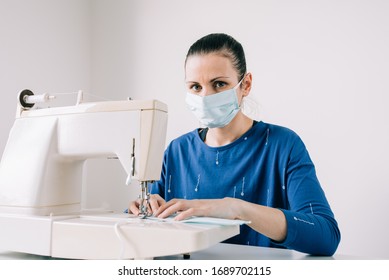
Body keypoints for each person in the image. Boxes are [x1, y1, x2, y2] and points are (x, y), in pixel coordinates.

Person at [129, 33, 341, 256]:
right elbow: (149, 231)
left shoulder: (283, 146)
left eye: (219, 84)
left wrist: (236, 208)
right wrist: (144, 208)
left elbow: (325, 235)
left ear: (245, 85)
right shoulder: (176, 152)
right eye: (195, 87)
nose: (205, 97)